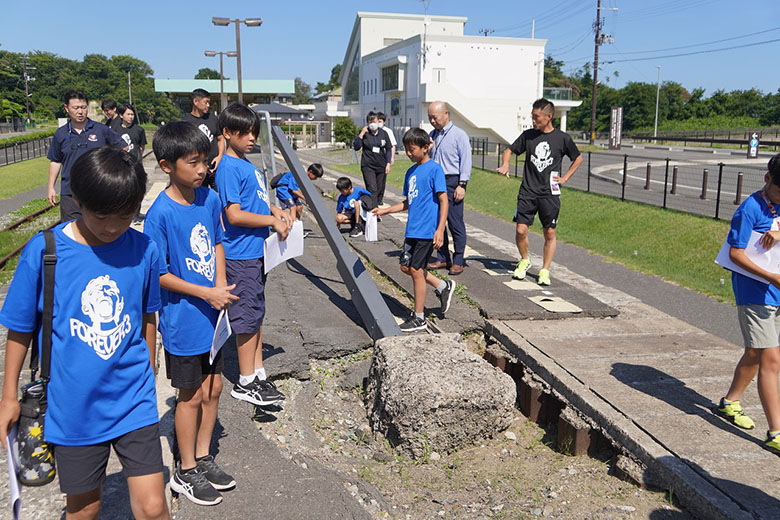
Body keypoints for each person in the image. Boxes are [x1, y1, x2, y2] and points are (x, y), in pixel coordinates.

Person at [0, 147, 169, 520]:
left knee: (154, 507)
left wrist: (150, 369)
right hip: (73, 404)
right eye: (101, 215)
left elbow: (147, 313)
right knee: (85, 509)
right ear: (76, 199)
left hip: (132, 397)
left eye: (125, 216)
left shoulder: (144, 249)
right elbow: (20, 328)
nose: (112, 227)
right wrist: (8, 396)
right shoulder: (45, 252)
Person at [145, 122, 238, 506]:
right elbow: (161, 274)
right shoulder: (160, 214)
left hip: (214, 314)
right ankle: (184, 469)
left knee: (214, 387)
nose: (202, 170)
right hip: (183, 320)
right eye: (193, 162)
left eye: (204, 162)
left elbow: (217, 241)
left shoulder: (209, 199)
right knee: (190, 395)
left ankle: (202, 456)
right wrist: (206, 292)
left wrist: (221, 287)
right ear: (167, 165)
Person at [215, 103, 291, 406]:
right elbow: (233, 214)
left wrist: (274, 209)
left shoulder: (247, 165)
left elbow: (255, 201)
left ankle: (257, 372)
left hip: (255, 252)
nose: (250, 138)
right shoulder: (228, 168)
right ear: (226, 133)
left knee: (255, 313)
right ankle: (245, 381)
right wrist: (272, 221)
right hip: (240, 253)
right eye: (243, 132)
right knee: (246, 317)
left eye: (253, 132)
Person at [715, 153, 780, 455]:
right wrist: (771, 277)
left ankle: (730, 402)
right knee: (772, 360)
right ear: (767, 179)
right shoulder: (750, 209)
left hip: (776, 292)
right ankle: (776, 432)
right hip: (755, 294)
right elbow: (735, 255)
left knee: (755, 354)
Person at [373, 128, 454, 332]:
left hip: (427, 230)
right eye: (406, 150)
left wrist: (440, 229)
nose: (408, 153)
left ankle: (419, 317)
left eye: (412, 149)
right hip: (412, 230)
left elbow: (444, 200)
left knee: (417, 270)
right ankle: (442, 286)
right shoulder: (411, 172)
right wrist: (386, 210)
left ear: (426, 147)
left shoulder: (434, 169)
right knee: (406, 267)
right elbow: (408, 202)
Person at [497, 98, 582, 286]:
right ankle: (525, 259)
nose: (533, 121)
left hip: (549, 194)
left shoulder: (562, 138)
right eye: (532, 117)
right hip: (528, 191)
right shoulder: (528, 136)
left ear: (549, 116)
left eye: (536, 117)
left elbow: (577, 158)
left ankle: (545, 270)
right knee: (521, 230)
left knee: (549, 232)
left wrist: (565, 178)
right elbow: (509, 150)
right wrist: (505, 164)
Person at [48, 90, 127, 222]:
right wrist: (51, 187)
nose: (80, 111)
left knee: (99, 230)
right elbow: (55, 161)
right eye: (76, 108)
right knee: (71, 231)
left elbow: (123, 147)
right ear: (66, 108)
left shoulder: (101, 130)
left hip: (98, 189)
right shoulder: (60, 134)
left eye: (83, 107)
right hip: (70, 192)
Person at [426, 101, 473, 276]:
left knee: (455, 221)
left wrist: (462, 184)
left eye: (435, 117)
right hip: (436, 181)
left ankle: (459, 259)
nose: (432, 121)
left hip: (453, 181)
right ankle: (443, 256)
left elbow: (466, 161)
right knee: (438, 221)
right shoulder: (433, 135)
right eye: (430, 117)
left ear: (446, 114)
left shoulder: (459, 135)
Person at [183, 89, 225, 190]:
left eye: (209, 102)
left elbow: (220, 139)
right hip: (198, 170)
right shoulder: (185, 122)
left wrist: (219, 156)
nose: (208, 105)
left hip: (215, 167)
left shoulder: (213, 119)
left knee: (221, 196)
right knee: (199, 198)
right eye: (205, 102)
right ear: (196, 102)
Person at [353, 111, 392, 209]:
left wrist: (388, 163)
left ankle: (372, 206)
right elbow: (356, 147)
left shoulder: (384, 133)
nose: (372, 124)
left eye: (374, 121)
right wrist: (361, 134)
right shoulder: (365, 134)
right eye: (370, 122)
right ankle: (374, 211)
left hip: (381, 165)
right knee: (372, 188)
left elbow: (388, 148)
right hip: (368, 165)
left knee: (379, 189)